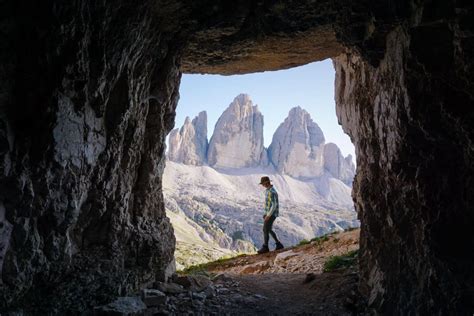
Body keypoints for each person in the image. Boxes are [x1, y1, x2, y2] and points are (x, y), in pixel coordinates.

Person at [257, 176, 284, 254]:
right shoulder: (268, 191)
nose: (262, 185)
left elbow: (274, 205)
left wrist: (268, 215)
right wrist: (266, 213)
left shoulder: (272, 192)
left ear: (266, 183)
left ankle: (265, 247)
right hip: (269, 214)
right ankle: (279, 244)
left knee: (265, 229)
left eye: (263, 183)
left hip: (272, 214)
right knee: (269, 229)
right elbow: (268, 204)